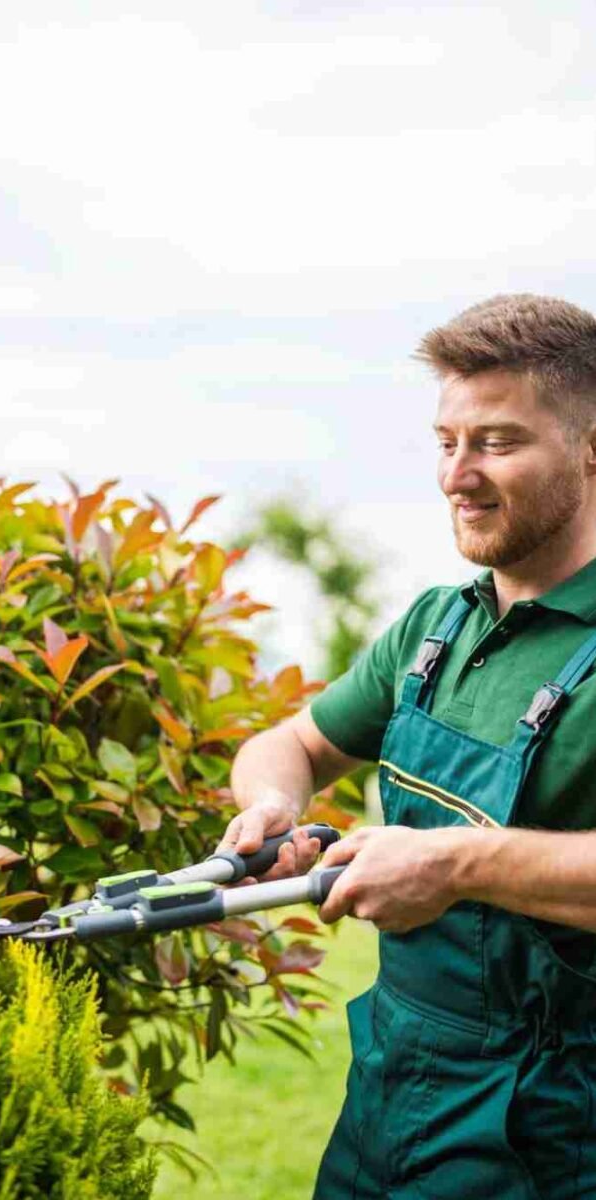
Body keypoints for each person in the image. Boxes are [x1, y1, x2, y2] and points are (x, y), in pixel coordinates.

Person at [219, 294, 596, 1199]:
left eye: (496, 443)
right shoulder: (434, 629)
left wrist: (454, 863)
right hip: (387, 1095)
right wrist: (272, 807)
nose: (456, 476)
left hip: (550, 1134)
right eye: (445, 442)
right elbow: (292, 745)